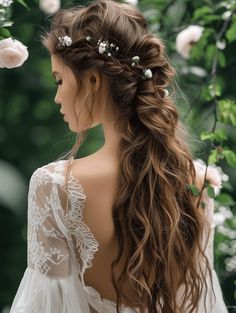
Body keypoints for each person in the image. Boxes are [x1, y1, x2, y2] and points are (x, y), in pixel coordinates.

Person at [9, 1, 229, 312]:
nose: (57, 96)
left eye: (60, 80)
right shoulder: (198, 181)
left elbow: (44, 306)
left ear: (94, 81)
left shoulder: (55, 186)